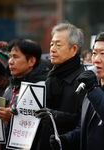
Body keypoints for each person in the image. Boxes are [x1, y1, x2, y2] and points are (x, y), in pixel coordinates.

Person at [32, 22, 86, 150]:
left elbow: (84, 121)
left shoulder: (84, 81)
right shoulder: (51, 77)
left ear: (73, 50)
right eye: (51, 44)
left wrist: (54, 116)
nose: (52, 49)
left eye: (58, 45)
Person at [0, 38, 49, 150]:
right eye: (10, 56)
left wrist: (13, 118)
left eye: (15, 57)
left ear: (31, 61)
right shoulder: (10, 87)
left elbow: (42, 126)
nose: (10, 61)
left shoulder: (41, 87)